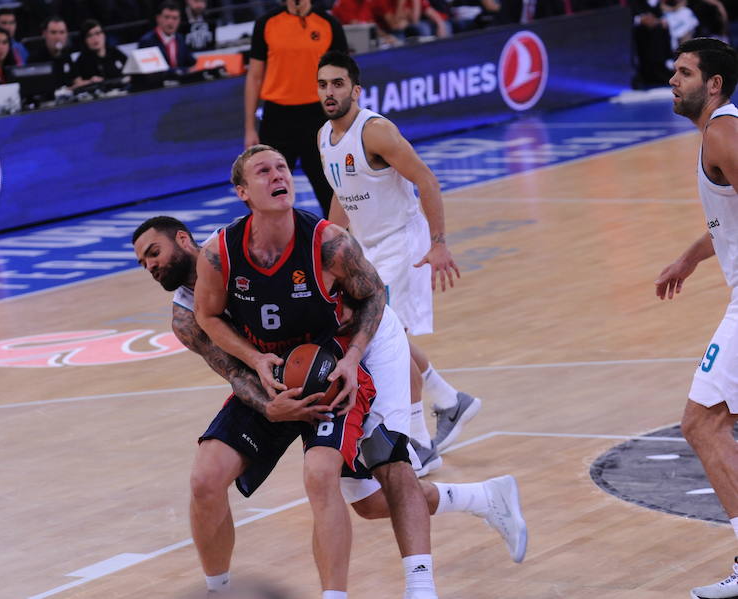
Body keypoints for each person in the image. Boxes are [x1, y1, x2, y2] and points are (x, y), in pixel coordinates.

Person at [132, 214, 528, 595]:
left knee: (380, 478)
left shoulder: (242, 253)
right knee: (217, 481)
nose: (149, 265)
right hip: (287, 375)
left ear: (184, 240)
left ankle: (435, 563)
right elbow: (235, 374)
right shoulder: (187, 318)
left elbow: (365, 300)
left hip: (346, 351)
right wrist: (271, 407)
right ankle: (218, 590)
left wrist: (357, 362)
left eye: (153, 252)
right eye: (142, 261)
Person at [316, 51, 480, 466]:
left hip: (401, 243)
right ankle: (448, 400)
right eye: (323, 85)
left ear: (356, 89)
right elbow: (341, 191)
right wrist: (327, 251)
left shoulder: (375, 131)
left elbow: (425, 179)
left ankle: (419, 443)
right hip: (367, 248)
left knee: (386, 341)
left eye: (338, 84)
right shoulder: (324, 137)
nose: (329, 92)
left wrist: (439, 243)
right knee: (391, 338)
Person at [654, 37, 738, 599]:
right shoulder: (721, 131)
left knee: (702, 423)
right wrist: (691, 255)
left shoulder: (721, 132)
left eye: (684, 72)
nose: (672, 80)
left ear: (713, 84)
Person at [244, 0, 348, 217]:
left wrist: (347, 121)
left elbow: (344, 76)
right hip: (277, 118)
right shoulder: (266, 23)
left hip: (318, 117)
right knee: (268, 191)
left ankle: (338, 245)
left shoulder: (328, 23)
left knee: (329, 190)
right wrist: (249, 128)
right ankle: (274, 247)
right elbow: (254, 77)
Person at [139, 2, 197, 71]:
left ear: (179, 20)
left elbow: (190, 62)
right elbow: (154, 70)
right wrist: (182, 71)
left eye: (175, 18)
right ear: (158, 18)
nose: (170, 22)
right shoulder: (147, 41)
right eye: (166, 17)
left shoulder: (180, 38)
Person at [28, 16, 77, 89]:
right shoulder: (34, 60)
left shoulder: (67, 55)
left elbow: (76, 80)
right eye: (53, 32)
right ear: (44, 34)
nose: (58, 37)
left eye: (62, 32)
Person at [75, 19, 127, 84]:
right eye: (89, 35)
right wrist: (89, 82)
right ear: (84, 40)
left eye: (98, 33)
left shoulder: (115, 52)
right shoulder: (82, 61)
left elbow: (131, 70)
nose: (95, 38)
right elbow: (77, 84)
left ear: (104, 35)